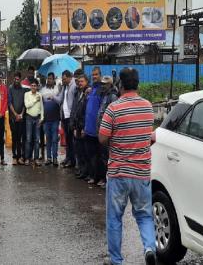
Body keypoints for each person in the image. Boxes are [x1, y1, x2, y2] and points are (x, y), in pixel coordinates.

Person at [99, 68, 156, 265]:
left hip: (118, 173)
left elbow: (103, 137)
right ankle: (149, 248)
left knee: (115, 219)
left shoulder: (113, 108)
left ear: (120, 85)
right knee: (145, 215)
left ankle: (116, 261)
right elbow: (151, 137)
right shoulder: (148, 107)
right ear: (137, 84)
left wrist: (117, 142)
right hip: (141, 174)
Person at [96, 75, 119, 186]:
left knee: (107, 156)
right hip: (102, 129)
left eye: (105, 84)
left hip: (108, 132)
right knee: (103, 156)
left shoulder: (112, 96)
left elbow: (113, 115)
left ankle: (107, 180)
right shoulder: (104, 95)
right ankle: (104, 179)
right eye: (102, 84)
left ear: (110, 84)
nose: (103, 86)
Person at [84, 67, 103, 185]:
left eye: (96, 74)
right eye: (93, 75)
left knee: (99, 156)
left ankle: (100, 178)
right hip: (88, 129)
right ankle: (92, 176)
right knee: (90, 155)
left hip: (98, 130)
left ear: (100, 75)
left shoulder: (102, 90)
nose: (94, 76)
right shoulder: (91, 90)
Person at [72, 74, 91, 180]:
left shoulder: (88, 93)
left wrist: (84, 127)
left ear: (87, 82)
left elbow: (87, 112)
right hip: (78, 125)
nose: (80, 83)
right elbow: (76, 110)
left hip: (84, 126)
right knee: (79, 150)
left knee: (85, 152)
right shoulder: (79, 92)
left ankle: (86, 172)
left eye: (82, 81)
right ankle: (82, 170)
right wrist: (75, 127)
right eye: (79, 81)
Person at [40, 72, 61, 166]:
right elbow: (40, 103)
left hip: (55, 119)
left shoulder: (58, 89)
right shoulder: (42, 90)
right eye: (48, 78)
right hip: (46, 119)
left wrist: (54, 96)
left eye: (51, 79)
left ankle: (55, 158)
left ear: (54, 79)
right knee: (48, 139)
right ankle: (48, 158)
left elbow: (60, 101)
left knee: (55, 139)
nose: (49, 80)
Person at [58, 70, 77, 168]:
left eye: (64, 79)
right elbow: (60, 99)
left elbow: (75, 102)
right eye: (62, 79)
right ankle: (68, 158)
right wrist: (52, 97)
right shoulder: (64, 86)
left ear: (70, 77)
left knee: (71, 140)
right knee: (67, 140)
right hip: (64, 116)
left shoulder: (74, 86)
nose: (63, 80)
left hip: (71, 117)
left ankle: (72, 161)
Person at [24, 79, 44, 166]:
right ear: (30, 86)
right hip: (29, 118)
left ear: (37, 87)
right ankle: (28, 158)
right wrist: (35, 100)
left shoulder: (40, 95)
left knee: (36, 139)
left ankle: (36, 159)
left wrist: (42, 118)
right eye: (32, 85)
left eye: (35, 86)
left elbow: (42, 107)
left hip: (37, 118)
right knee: (28, 139)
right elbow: (27, 105)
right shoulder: (27, 94)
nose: (33, 87)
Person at [8, 72, 27, 165]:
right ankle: (14, 157)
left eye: (17, 79)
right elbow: (10, 103)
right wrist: (15, 115)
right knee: (14, 138)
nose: (16, 80)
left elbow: (24, 104)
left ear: (20, 79)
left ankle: (20, 157)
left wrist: (21, 114)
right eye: (15, 79)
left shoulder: (23, 90)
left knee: (20, 138)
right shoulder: (10, 89)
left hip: (21, 118)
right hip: (13, 118)